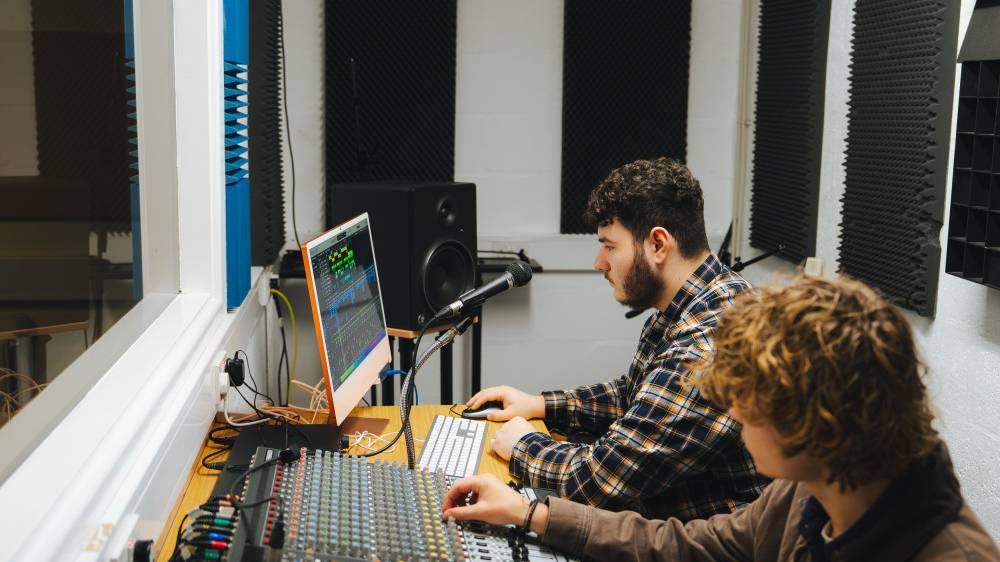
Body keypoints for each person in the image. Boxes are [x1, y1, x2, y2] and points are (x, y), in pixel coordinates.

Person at [443, 277, 1000, 561]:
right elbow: (686, 547)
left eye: (747, 399)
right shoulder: (806, 491)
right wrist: (531, 512)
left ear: (815, 418)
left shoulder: (954, 555)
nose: (731, 412)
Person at [467, 156, 767, 521]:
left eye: (609, 246)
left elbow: (600, 482)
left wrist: (522, 445)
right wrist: (540, 405)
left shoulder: (708, 346)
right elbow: (635, 395)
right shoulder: (704, 297)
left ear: (658, 244)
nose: (599, 262)